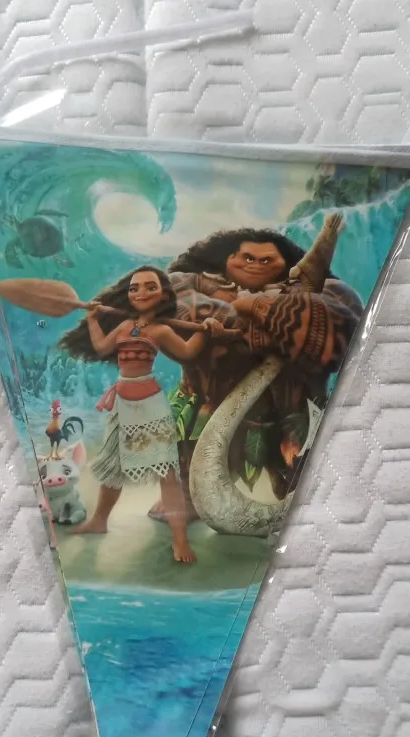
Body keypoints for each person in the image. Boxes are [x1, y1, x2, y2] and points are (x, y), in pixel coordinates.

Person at [151, 227, 363, 518]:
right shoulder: (184, 287)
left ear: (285, 263)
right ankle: (184, 499)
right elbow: (172, 308)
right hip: (211, 399)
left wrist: (258, 306)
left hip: (289, 406)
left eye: (267, 260)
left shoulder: (331, 292)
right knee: (191, 436)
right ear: (227, 260)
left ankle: (297, 491)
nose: (256, 265)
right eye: (247, 258)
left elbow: (340, 329)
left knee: (297, 457)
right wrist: (248, 310)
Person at [59, 266, 214, 564]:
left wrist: (206, 330)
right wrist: (92, 320)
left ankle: (180, 539)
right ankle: (99, 521)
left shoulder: (161, 331)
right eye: (134, 288)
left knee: (166, 473)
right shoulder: (123, 326)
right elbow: (101, 347)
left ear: (163, 295)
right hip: (121, 405)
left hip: (149, 406)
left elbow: (187, 352)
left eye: (150, 287)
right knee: (113, 466)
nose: (141, 292)